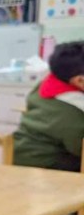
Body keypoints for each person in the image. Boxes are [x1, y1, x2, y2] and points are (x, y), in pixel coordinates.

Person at [13, 41, 84, 171]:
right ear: (79, 80)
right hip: (40, 163)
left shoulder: (50, 83)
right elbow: (80, 147)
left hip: (23, 150)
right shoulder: (69, 111)